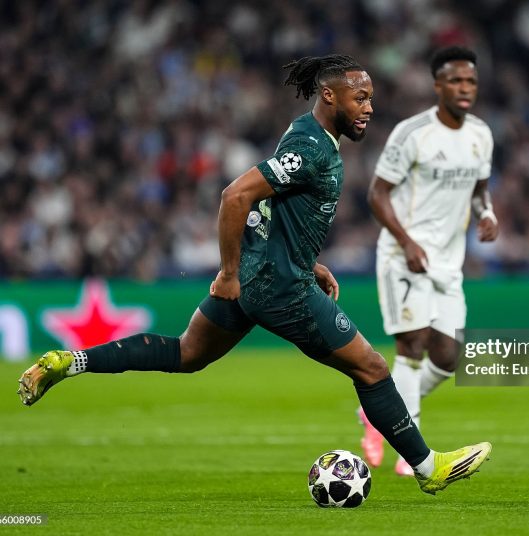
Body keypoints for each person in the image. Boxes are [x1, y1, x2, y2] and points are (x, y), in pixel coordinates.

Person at [17, 54, 491, 495]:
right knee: (372, 368)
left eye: (370, 97)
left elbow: (272, 206)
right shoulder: (311, 149)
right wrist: (228, 272)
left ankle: (69, 363)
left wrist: (304, 259)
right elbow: (235, 196)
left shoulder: (305, 132)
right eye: (360, 97)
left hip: (262, 273)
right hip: (276, 286)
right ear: (330, 96)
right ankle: (430, 470)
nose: (369, 107)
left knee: (186, 354)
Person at [358, 46, 499, 476]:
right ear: (438, 85)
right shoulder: (412, 133)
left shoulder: (480, 134)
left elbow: (480, 189)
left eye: (470, 82)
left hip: (448, 264)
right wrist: (407, 241)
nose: (464, 88)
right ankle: (411, 449)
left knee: (448, 356)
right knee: (413, 346)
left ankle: (379, 412)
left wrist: (487, 214)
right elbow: (377, 194)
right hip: (404, 255)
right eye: (455, 81)